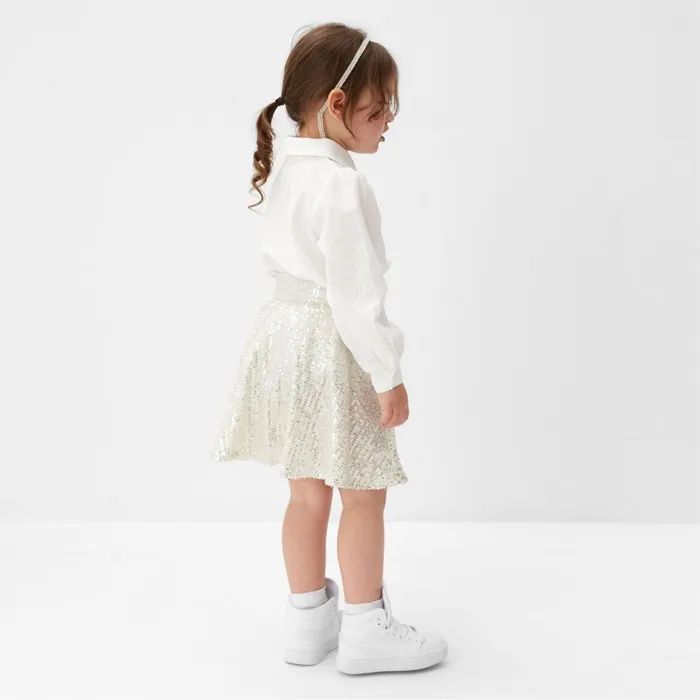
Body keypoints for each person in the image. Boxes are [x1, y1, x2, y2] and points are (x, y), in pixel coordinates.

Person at [210, 22, 448, 675]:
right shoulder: (342, 184)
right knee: (364, 490)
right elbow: (355, 295)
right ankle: (366, 627)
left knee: (307, 493)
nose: (389, 121)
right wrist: (387, 372)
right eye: (380, 107)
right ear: (338, 103)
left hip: (280, 337)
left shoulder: (289, 168)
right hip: (332, 344)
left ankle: (306, 622)